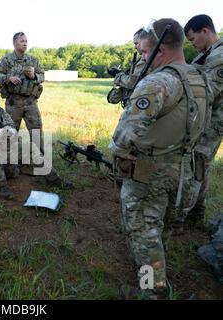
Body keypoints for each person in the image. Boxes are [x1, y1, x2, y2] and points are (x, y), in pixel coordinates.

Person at [109, 19, 209, 299]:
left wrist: (118, 153)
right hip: (186, 172)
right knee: (161, 228)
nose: (143, 58)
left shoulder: (157, 82)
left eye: (144, 53)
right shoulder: (199, 77)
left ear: (161, 49)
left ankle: (151, 291)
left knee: (143, 233)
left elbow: (123, 137)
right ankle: (157, 275)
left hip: (151, 173)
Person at [0, 32, 72, 187]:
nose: (25, 43)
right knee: (10, 133)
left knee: (36, 132)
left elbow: (43, 75)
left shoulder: (33, 60)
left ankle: (41, 165)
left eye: (26, 41)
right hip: (13, 102)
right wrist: (8, 78)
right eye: (22, 41)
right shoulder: (6, 60)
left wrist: (34, 76)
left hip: (30, 102)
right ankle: (10, 165)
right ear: (14, 43)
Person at [184, 14, 223, 223]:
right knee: (200, 164)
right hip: (205, 119)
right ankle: (195, 213)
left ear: (205, 31)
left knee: (196, 163)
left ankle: (185, 215)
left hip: (213, 121)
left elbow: (207, 90)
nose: (192, 44)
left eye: (192, 39)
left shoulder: (219, 56)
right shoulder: (209, 53)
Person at [108, 28, 147, 106]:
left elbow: (132, 82)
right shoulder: (142, 58)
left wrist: (118, 76)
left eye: (136, 43)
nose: (135, 47)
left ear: (144, 42)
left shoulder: (146, 59)